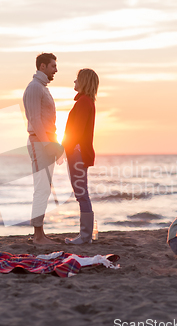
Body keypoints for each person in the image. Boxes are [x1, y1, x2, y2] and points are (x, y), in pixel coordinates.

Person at [23, 53, 64, 244]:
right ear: (42, 66)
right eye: (53, 66)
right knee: (41, 188)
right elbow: (35, 120)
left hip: (45, 142)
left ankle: (40, 233)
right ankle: (38, 236)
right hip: (39, 144)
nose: (56, 69)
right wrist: (47, 144)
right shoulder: (34, 88)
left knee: (45, 188)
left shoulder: (41, 88)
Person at [62, 69, 99, 244]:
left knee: (81, 193)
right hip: (78, 151)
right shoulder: (86, 101)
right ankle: (85, 236)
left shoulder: (84, 102)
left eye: (77, 79)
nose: (74, 82)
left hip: (77, 152)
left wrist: (63, 149)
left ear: (83, 82)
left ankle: (85, 236)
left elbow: (76, 131)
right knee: (81, 193)